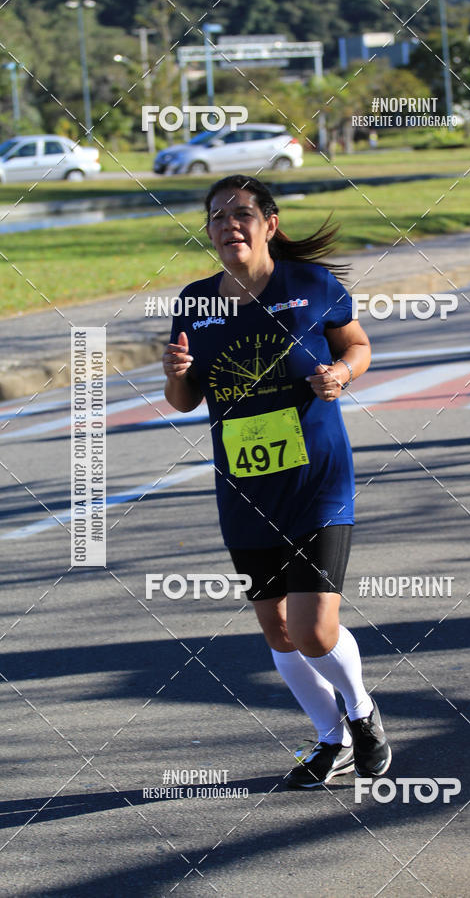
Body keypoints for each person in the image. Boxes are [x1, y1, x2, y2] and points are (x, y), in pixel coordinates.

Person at [163, 175, 391, 788]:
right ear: (208, 231)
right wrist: (175, 372)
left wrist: (341, 372)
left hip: (316, 478)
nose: (228, 225)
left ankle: (362, 711)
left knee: (316, 628)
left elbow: (359, 345)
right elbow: (183, 400)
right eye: (217, 217)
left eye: (241, 213)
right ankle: (329, 738)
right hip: (244, 487)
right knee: (278, 628)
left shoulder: (310, 286)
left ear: (270, 222)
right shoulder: (194, 302)